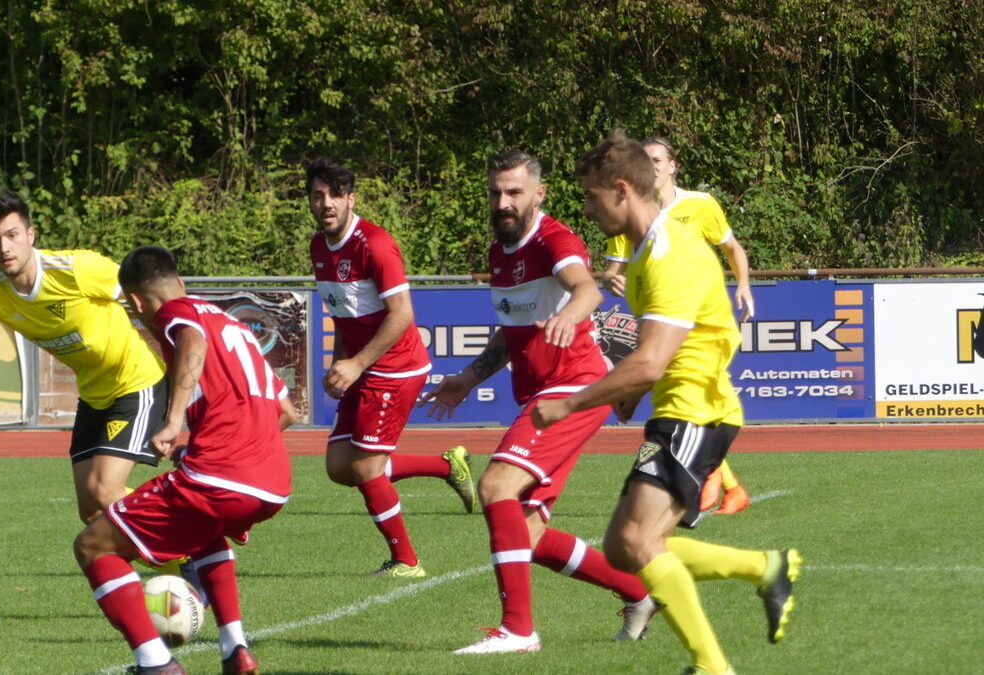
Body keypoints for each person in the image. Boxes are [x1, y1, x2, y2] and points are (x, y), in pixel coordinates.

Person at [532, 132, 801, 675]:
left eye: (591, 196)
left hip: (696, 409)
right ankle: (764, 568)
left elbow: (652, 361)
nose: (587, 208)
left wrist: (570, 405)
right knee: (624, 546)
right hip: (683, 408)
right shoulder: (645, 248)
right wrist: (629, 390)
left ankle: (711, 665)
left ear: (623, 189)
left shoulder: (669, 253)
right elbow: (654, 351)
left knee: (635, 541)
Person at [421, 149, 655, 654]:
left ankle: (518, 631)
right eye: (496, 192)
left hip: (575, 387)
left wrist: (573, 314)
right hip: (544, 393)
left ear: (538, 194)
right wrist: (469, 376)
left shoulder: (555, 239)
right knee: (524, 532)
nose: (503, 202)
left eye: (514, 192)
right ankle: (640, 594)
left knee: (495, 485)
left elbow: (586, 290)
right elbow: (512, 333)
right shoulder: (499, 253)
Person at [74, 245, 297, 675]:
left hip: (221, 478)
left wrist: (174, 421)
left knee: (92, 545)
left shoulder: (176, 316)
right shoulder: (233, 325)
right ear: (180, 281)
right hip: (272, 483)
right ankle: (237, 650)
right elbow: (287, 412)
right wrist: (213, 447)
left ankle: (155, 664)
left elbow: (190, 340)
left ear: (136, 302)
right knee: (202, 535)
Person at [0, 191, 167, 524]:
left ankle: (192, 544)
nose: (5, 248)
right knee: (92, 511)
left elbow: (152, 297)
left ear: (30, 235)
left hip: (137, 384)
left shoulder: (77, 269)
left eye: (12, 235)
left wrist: (180, 365)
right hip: (94, 396)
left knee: (106, 490)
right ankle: (175, 564)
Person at [306, 158, 476, 578]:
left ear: (351, 199)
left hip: (395, 367)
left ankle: (407, 561)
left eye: (334, 195)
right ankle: (445, 464)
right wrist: (338, 367)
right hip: (361, 368)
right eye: (317, 195)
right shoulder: (317, 247)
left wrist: (357, 363)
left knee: (366, 467)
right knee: (339, 468)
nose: (326, 203)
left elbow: (401, 314)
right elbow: (344, 314)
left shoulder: (374, 243)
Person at [603, 137, 751, 515]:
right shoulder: (631, 214)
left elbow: (732, 248)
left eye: (657, 159)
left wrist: (744, 287)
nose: (651, 166)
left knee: (692, 399)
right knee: (689, 403)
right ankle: (723, 482)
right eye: (645, 160)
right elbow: (614, 268)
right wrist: (611, 279)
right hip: (662, 314)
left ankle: (716, 479)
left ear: (672, 165)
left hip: (699, 319)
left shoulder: (700, 205)